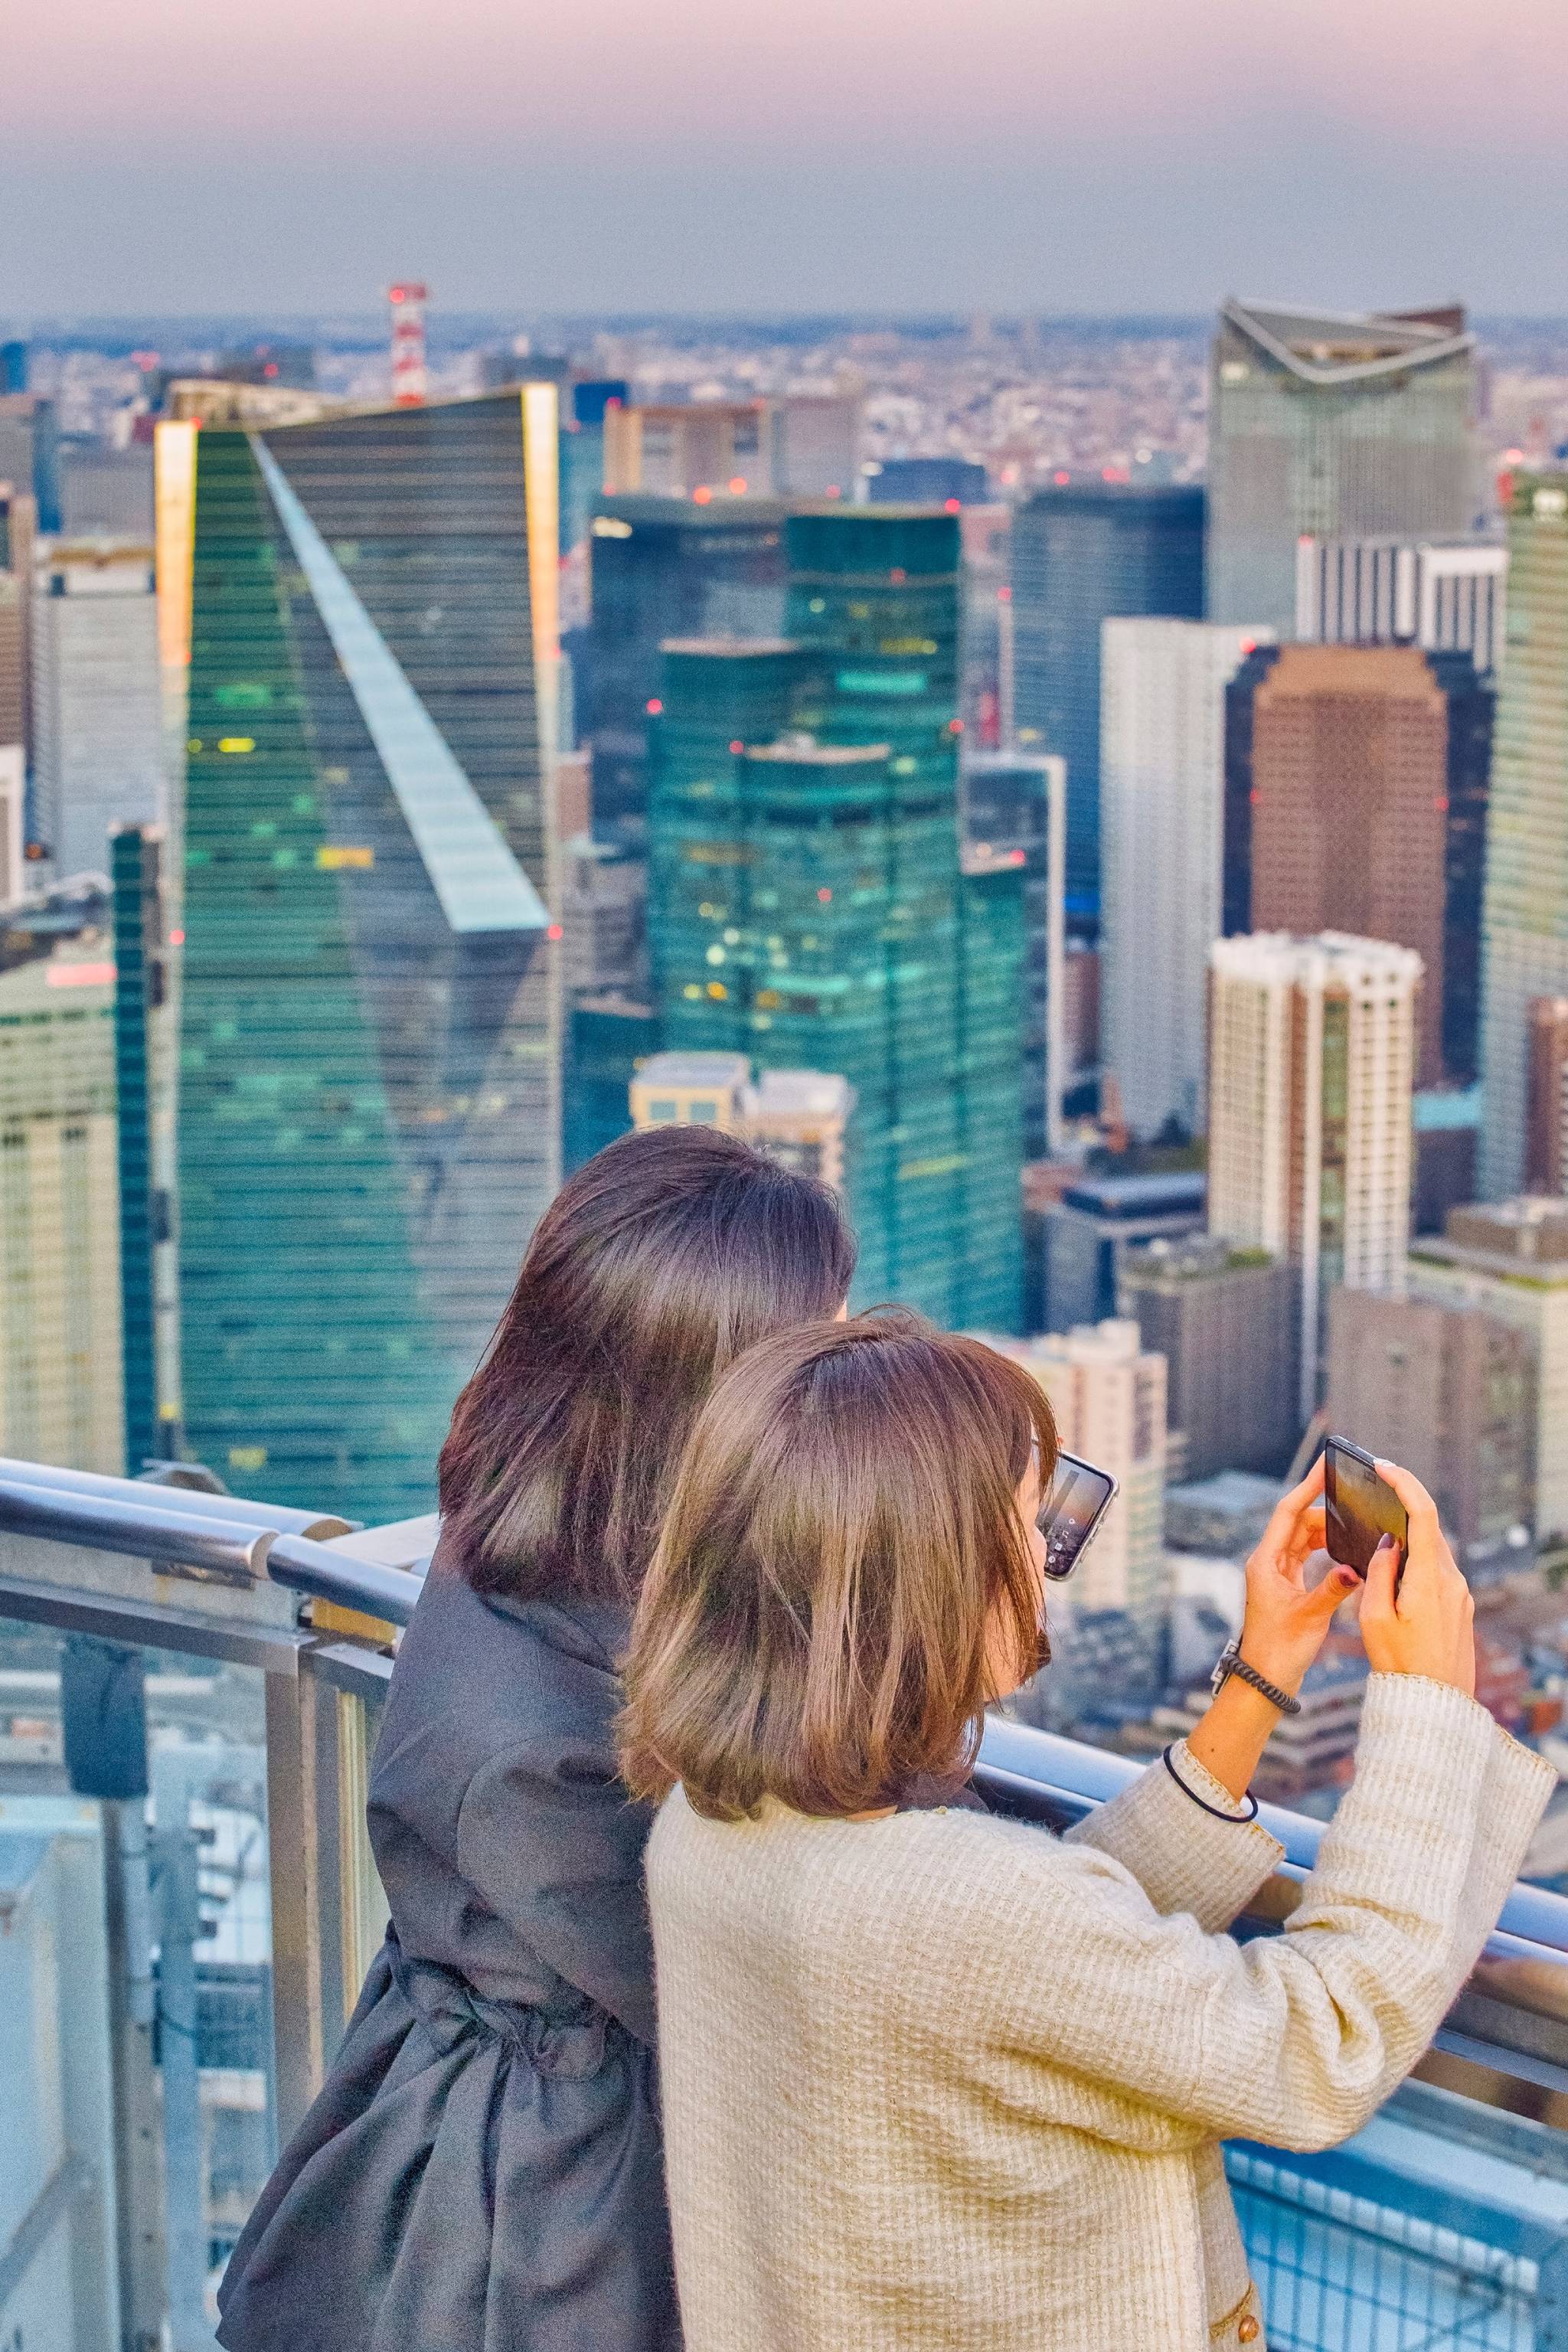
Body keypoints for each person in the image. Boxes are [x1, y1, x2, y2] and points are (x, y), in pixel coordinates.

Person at [622, 1313, 1555, 2352]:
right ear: (932, 1574)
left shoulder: (706, 1827)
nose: (1050, 1560)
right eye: (1031, 1522)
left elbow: (1057, 1967)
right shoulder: (972, 1912)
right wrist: (1428, 1706)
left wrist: (1256, 1685)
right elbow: (1317, 2048)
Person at [217, 1125, 857, 2352]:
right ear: (701, 1393)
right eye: (817, 1350)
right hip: (541, 2227)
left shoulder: (556, 1546)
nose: (844, 1385)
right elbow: (771, 1983)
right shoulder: (530, 1738)